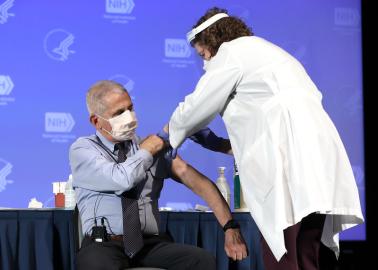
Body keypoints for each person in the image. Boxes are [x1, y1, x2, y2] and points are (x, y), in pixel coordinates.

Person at [164, 7, 364, 270]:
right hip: (320, 156)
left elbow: (198, 103)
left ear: (213, 41)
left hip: (286, 158)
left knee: (282, 251)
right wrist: (220, 145)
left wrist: (169, 133)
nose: (204, 63)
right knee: (307, 252)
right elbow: (261, 121)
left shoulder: (231, 52)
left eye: (203, 54)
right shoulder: (272, 53)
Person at [69, 80, 248, 270]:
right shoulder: (84, 149)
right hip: (104, 245)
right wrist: (152, 147)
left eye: (130, 108)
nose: (129, 117)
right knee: (99, 265)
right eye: (119, 113)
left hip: (148, 244)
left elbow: (200, 184)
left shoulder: (149, 147)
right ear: (96, 121)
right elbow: (122, 179)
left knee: (201, 260)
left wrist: (231, 228)